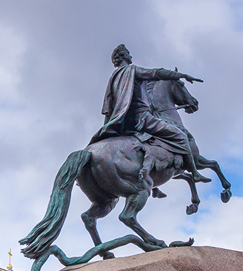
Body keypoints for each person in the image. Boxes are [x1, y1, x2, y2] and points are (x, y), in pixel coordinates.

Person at [89, 44, 210, 184]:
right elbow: (155, 73)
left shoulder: (113, 79)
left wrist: (107, 130)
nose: (131, 56)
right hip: (142, 119)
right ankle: (195, 173)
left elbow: (107, 108)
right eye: (128, 53)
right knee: (181, 136)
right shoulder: (131, 70)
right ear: (123, 55)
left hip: (123, 123)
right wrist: (179, 75)